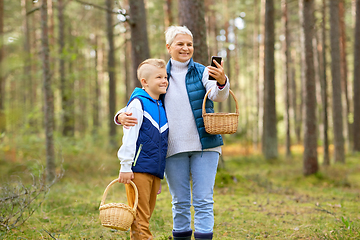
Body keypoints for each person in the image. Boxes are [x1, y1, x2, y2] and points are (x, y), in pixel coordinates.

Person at [115, 26, 230, 240]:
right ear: (169, 47)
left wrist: (222, 81)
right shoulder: (160, 73)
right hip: (173, 148)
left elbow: (217, 95)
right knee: (180, 202)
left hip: (206, 146)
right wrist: (121, 114)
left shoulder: (203, 72)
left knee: (204, 200)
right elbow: (141, 99)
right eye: (180, 44)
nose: (185, 48)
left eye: (189, 44)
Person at [117, 58, 169, 240]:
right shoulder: (138, 104)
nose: (164, 80)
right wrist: (125, 165)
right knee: (140, 220)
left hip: (152, 171)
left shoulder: (160, 104)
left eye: (165, 76)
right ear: (145, 82)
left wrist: (157, 175)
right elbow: (129, 137)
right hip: (137, 169)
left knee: (145, 216)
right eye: (159, 77)